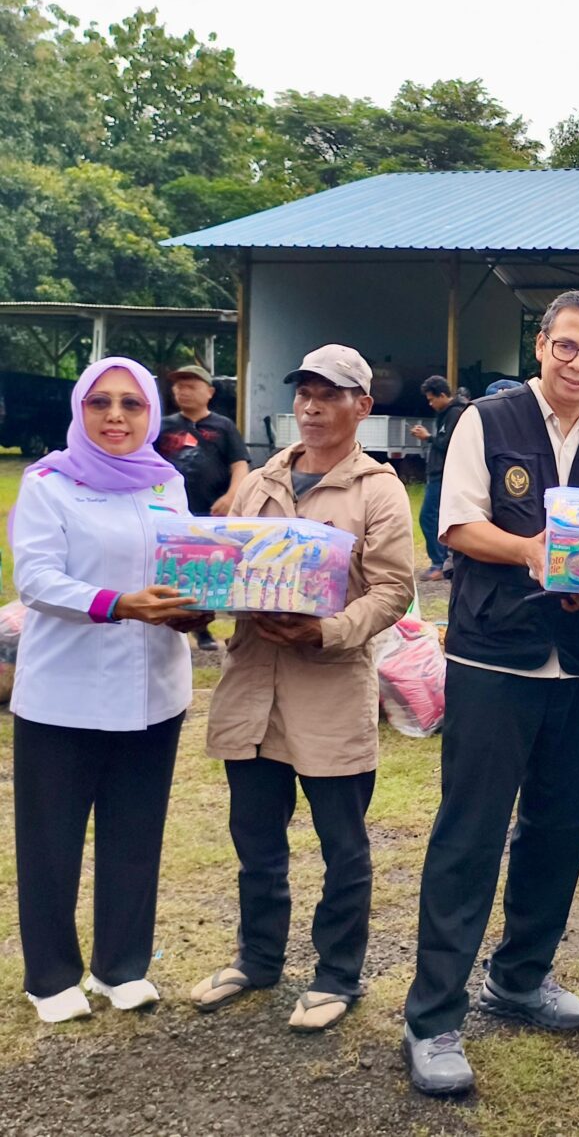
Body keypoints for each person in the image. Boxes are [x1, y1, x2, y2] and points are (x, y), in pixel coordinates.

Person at [402, 289, 579, 1095]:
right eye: (567, 346)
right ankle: (434, 1015)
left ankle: (519, 977)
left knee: (560, 827)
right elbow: (455, 524)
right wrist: (533, 552)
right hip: (494, 655)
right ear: (541, 344)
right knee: (469, 834)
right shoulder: (488, 419)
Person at [191, 344, 414, 1032]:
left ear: (362, 407)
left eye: (331, 394)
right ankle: (257, 958)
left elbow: (394, 590)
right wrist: (201, 596)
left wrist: (327, 630)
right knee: (256, 837)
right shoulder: (262, 481)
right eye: (305, 393)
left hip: (328, 689)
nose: (313, 406)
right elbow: (228, 564)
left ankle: (336, 974)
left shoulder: (377, 490)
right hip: (255, 684)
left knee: (341, 844)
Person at [9, 358, 206, 1023]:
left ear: (152, 413)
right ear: (80, 409)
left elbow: (182, 566)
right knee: (51, 839)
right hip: (65, 695)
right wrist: (119, 603)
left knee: (135, 833)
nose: (116, 416)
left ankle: (121, 966)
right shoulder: (49, 483)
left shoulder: (167, 483)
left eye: (131, 403)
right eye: (100, 402)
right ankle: (51, 974)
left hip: (153, 690)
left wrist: (194, 607)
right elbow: (37, 579)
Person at [156, 362, 250, 650]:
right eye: (178, 386)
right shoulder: (162, 426)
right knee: (175, 572)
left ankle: (207, 625)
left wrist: (233, 495)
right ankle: (186, 626)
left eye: (191, 386)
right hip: (171, 514)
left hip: (212, 513)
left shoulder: (223, 427)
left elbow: (240, 464)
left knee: (210, 573)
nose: (182, 391)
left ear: (209, 392)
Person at [411, 375, 469, 581]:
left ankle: (438, 563)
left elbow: (448, 443)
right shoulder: (447, 413)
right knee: (435, 517)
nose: (430, 403)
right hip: (438, 472)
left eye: (431, 399)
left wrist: (427, 437)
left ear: (442, 395)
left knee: (428, 516)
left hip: (444, 474)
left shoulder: (455, 413)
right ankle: (442, 561)